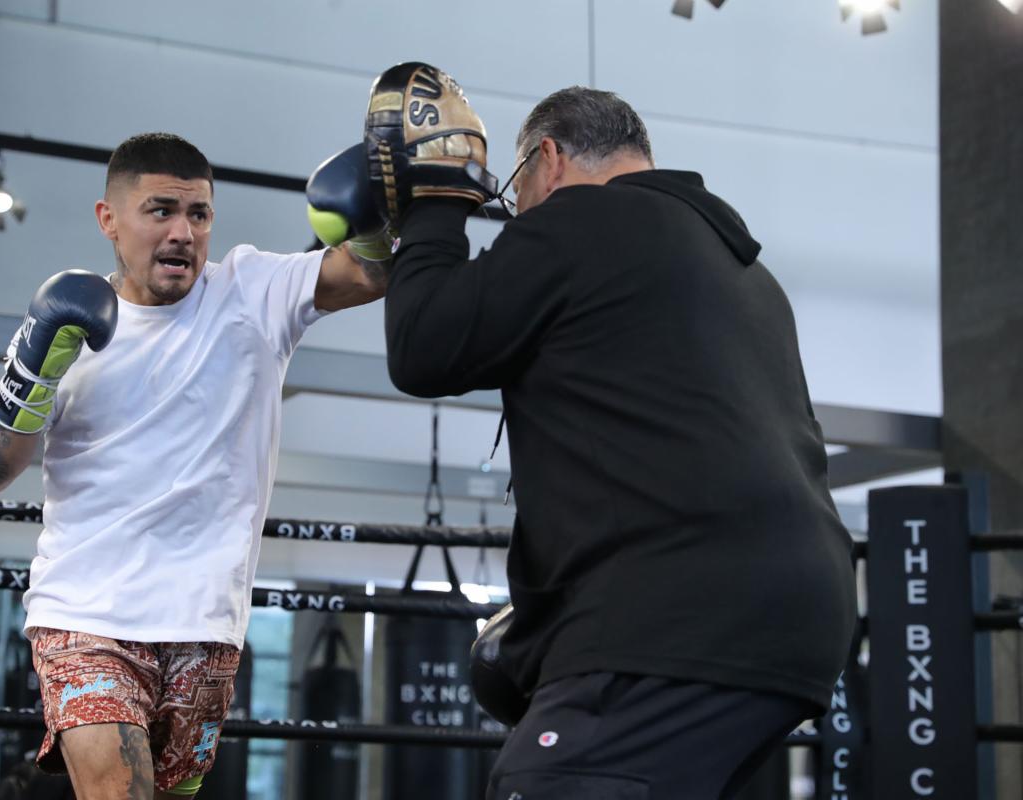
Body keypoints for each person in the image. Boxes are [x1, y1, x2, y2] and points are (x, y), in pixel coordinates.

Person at [362, 68, 857, 799]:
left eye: (514, 196)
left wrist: (435, 203)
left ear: (549, 161)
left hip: (678, 614)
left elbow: (426, 345)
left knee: (546, 783)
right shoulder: (747, 275)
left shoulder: (583, 220)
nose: (516, 218)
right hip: (798, 624)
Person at [0, 132, 385, 800]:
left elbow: (366, 272)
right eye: (160, 211)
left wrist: (388, 204)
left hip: (205, 621)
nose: (184, 232)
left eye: (199, 214)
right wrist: (34, 368)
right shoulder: (69, 326)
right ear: (110, 219)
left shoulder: (251, 291)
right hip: (87, 615)